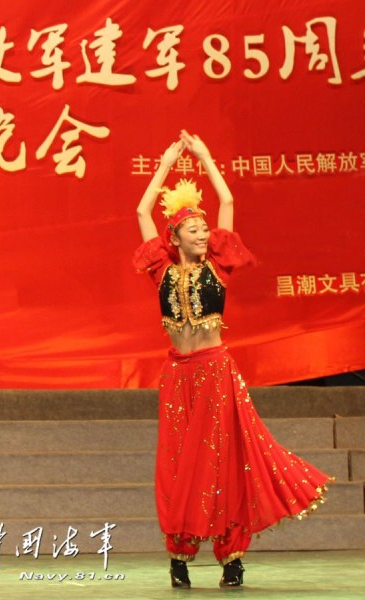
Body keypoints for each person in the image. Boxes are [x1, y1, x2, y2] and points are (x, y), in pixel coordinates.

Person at [133, 130, 333, 589]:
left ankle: (232, 560)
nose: (204, 234)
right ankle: (179, 557)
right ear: (174, 237)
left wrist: (205, 157)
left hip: (215, 371)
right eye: (194, 230)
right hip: (177, 376)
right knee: (177, 467)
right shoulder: (161, 270)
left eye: (205, 229)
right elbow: (142, 212)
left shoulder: (219, 265)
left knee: (224, 464)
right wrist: (164, 165)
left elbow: (227, 200)